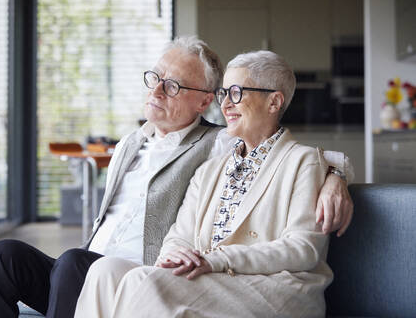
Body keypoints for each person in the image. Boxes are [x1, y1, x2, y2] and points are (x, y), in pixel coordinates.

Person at [0, 37, 352, 318]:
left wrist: (335, 174)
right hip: (94, 268)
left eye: (172, 85)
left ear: (203, 102)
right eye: (155, 78)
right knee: (1, 256)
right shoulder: (129, 144)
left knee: (77, 263)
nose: (156, 90)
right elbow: (180, 234)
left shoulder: (215, 142)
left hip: (140, 269)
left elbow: (293, 154)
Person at [75, 49, 336, 318]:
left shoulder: (303, 161)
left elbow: (302, 249)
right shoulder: (211, 169)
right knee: (103, 271)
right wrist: (175, 256)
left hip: (275, 285)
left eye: (237, 93)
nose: (225, 105)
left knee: (142, 281)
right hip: (215, 277)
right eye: (224, 94)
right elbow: (179, 236)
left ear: (274, 102)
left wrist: (217, 259)